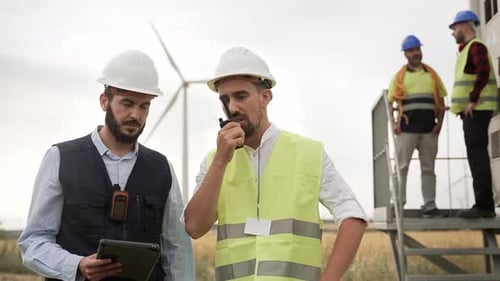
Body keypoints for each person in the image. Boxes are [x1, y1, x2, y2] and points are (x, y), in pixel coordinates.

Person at [184, 46, 367, 281]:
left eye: (241, 96)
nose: (232, 108)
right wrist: (221, 160)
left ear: (265, 97)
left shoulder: (309, 153)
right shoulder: (213, 161)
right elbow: (195, 228)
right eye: (225, 100)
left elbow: (353, 216)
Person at [17, 50, 194, 281]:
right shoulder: (61, 158)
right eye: (127, 103)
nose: (135, 115)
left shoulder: (162, 169)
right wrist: (77, 265)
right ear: (104, 101)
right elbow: (34, 242)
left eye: (144, 106)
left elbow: (177, 251)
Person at [387, 35, 447, 218]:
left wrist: (439, 126)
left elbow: (441, 101)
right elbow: (390, 103)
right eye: (412, 50)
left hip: (429, 129)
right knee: (401, 168)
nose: (416, 53)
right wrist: (394, 124)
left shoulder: (432, 75)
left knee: (428, 169)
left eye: (417, 49)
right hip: (406, 130)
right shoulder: (398, 77)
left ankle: (430, 205)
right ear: (405, 54)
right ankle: (398, 205)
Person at [449, 10, 499, 218]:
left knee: (477, 156)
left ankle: (484, 205)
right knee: (476, 155)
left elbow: (483, 72)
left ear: (465, 27)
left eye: (454, 29)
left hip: (477, 110)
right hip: (473, 111)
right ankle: (483, 203)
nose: (453, 34)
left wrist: (472, 99)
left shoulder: (475, 47)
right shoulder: (467, 50)